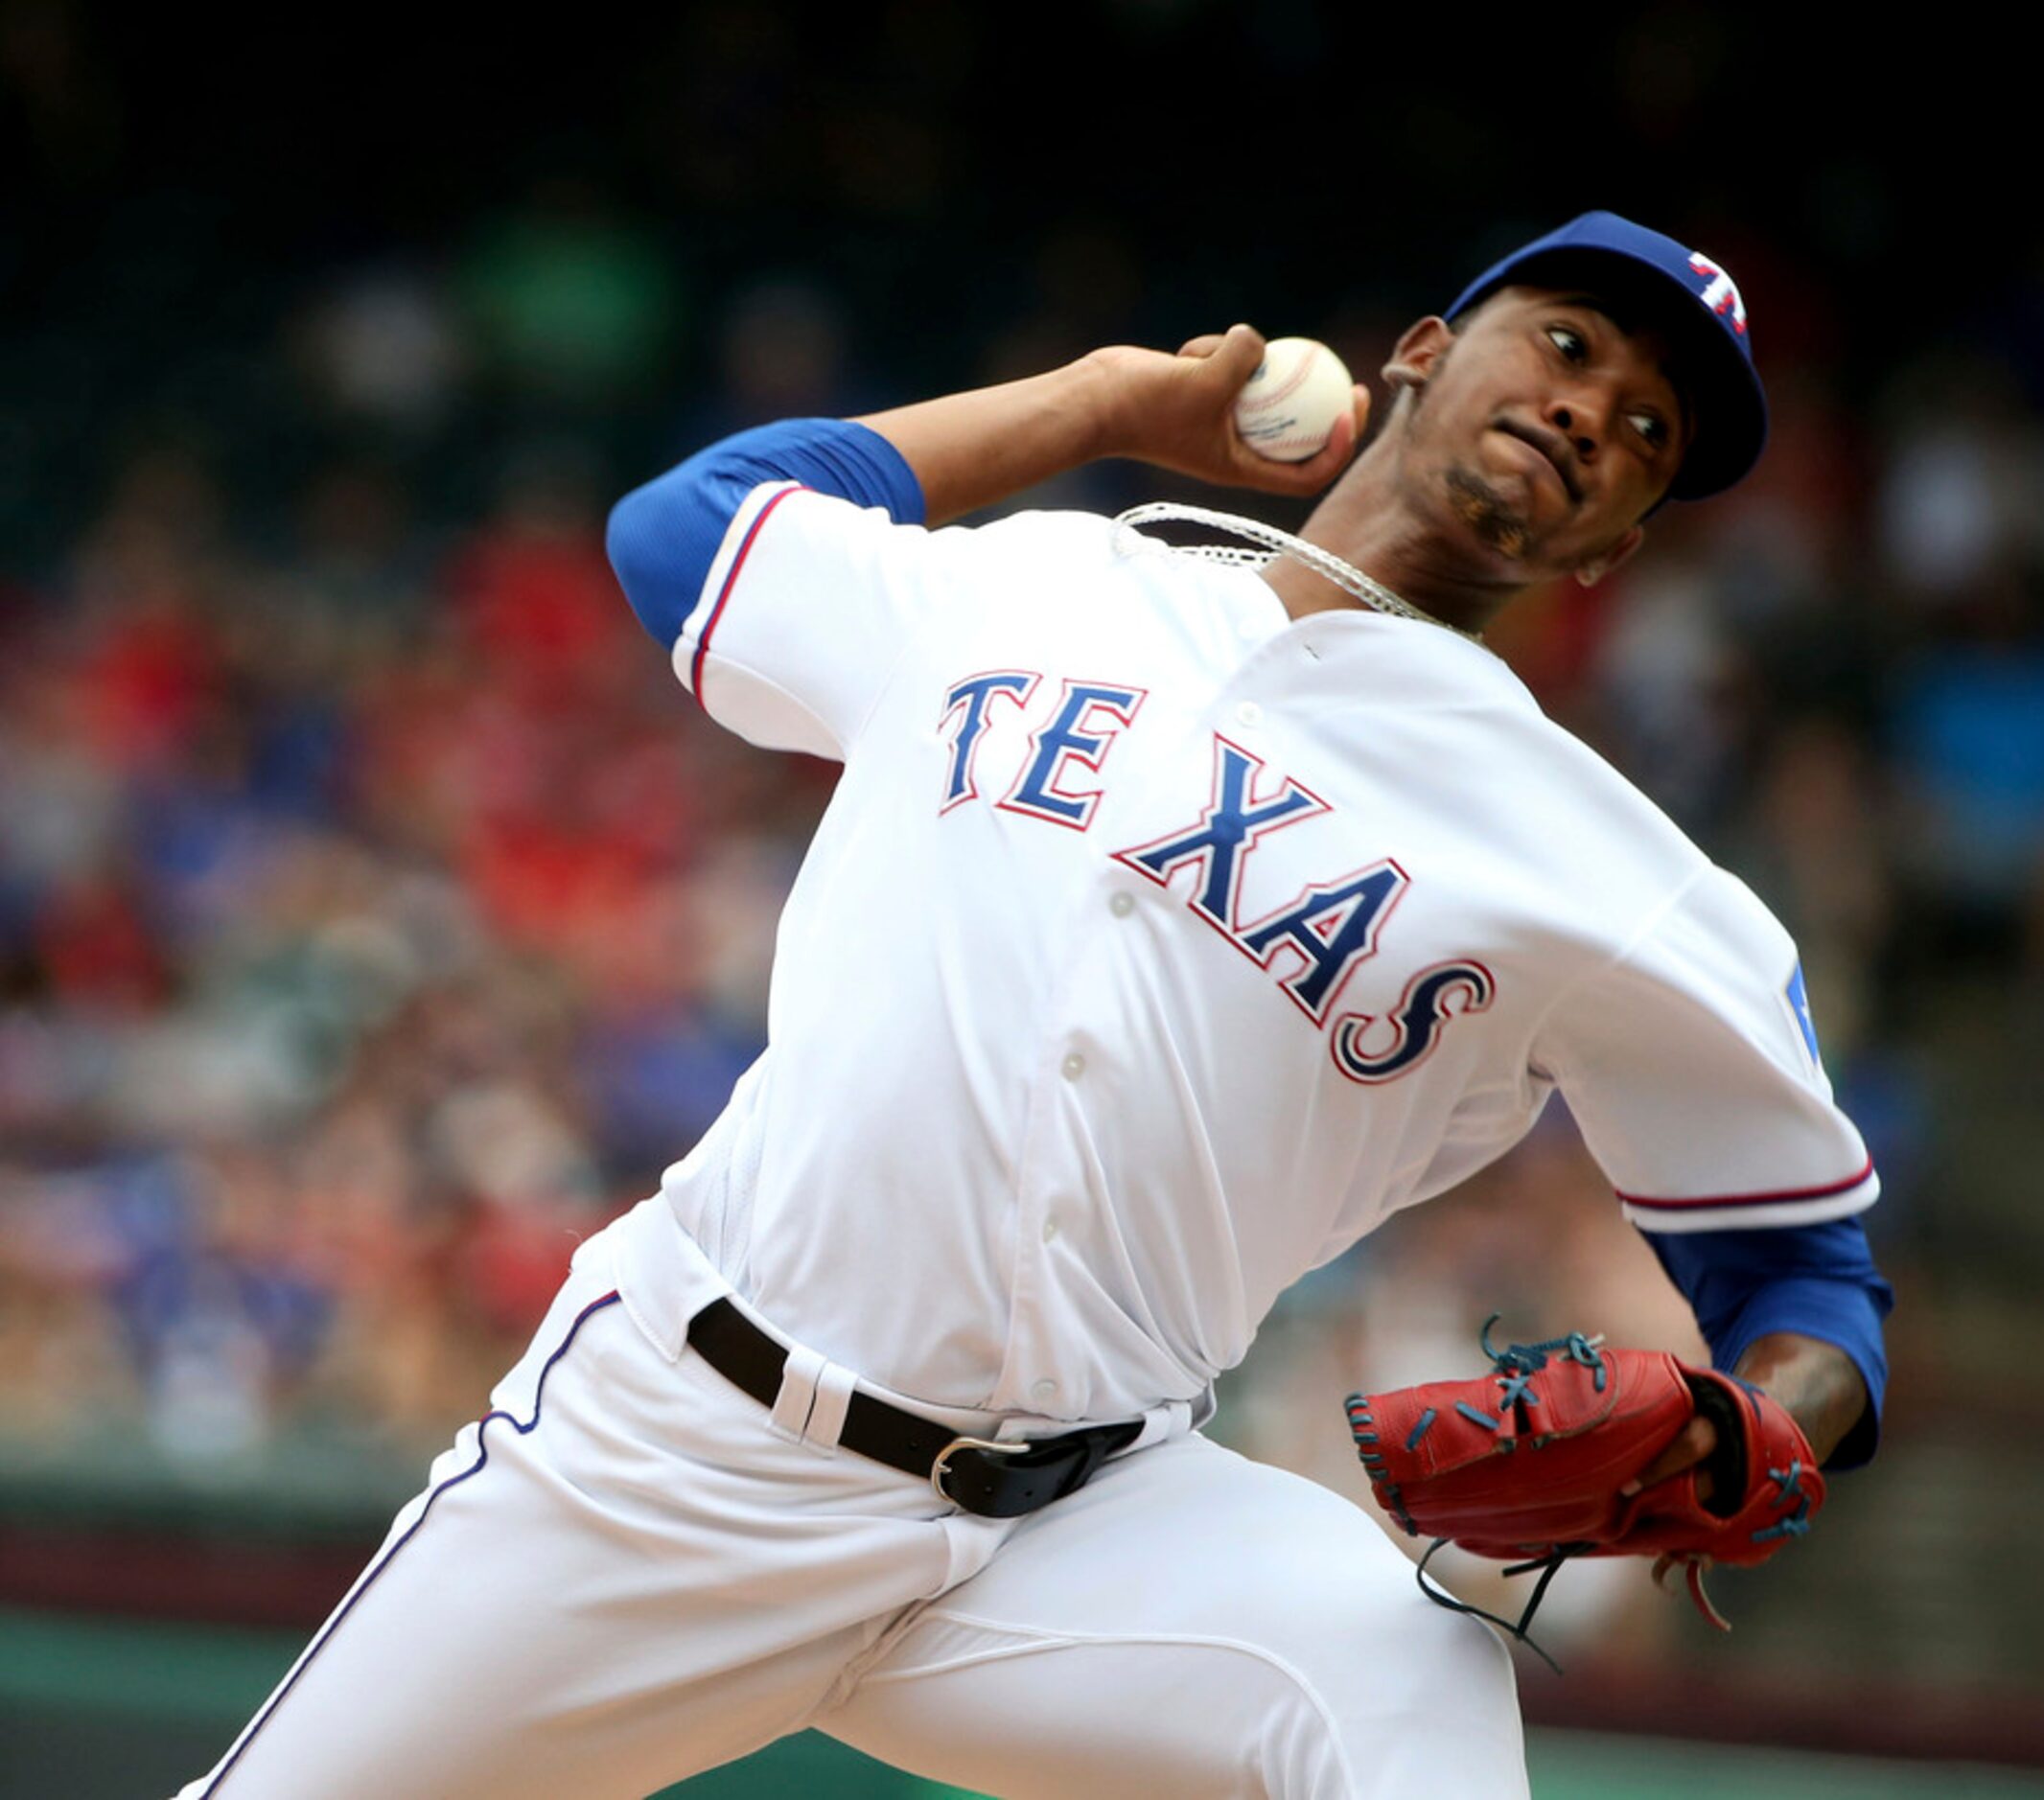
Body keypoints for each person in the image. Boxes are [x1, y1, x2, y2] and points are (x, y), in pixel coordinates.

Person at [180, 212, 1892, 1799]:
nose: (1596, 412)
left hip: (1087, 1526)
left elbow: (1807, 1277)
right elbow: (686, 527)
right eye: (1572, 346)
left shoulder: (1607, 865)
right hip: (676, 1447)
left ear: (1610, 548)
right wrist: (1098, 404)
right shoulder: (1043, 579)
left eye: (1650, 433)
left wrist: (1766, 1425)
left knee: (1412, 1687)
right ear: (1424, 353)